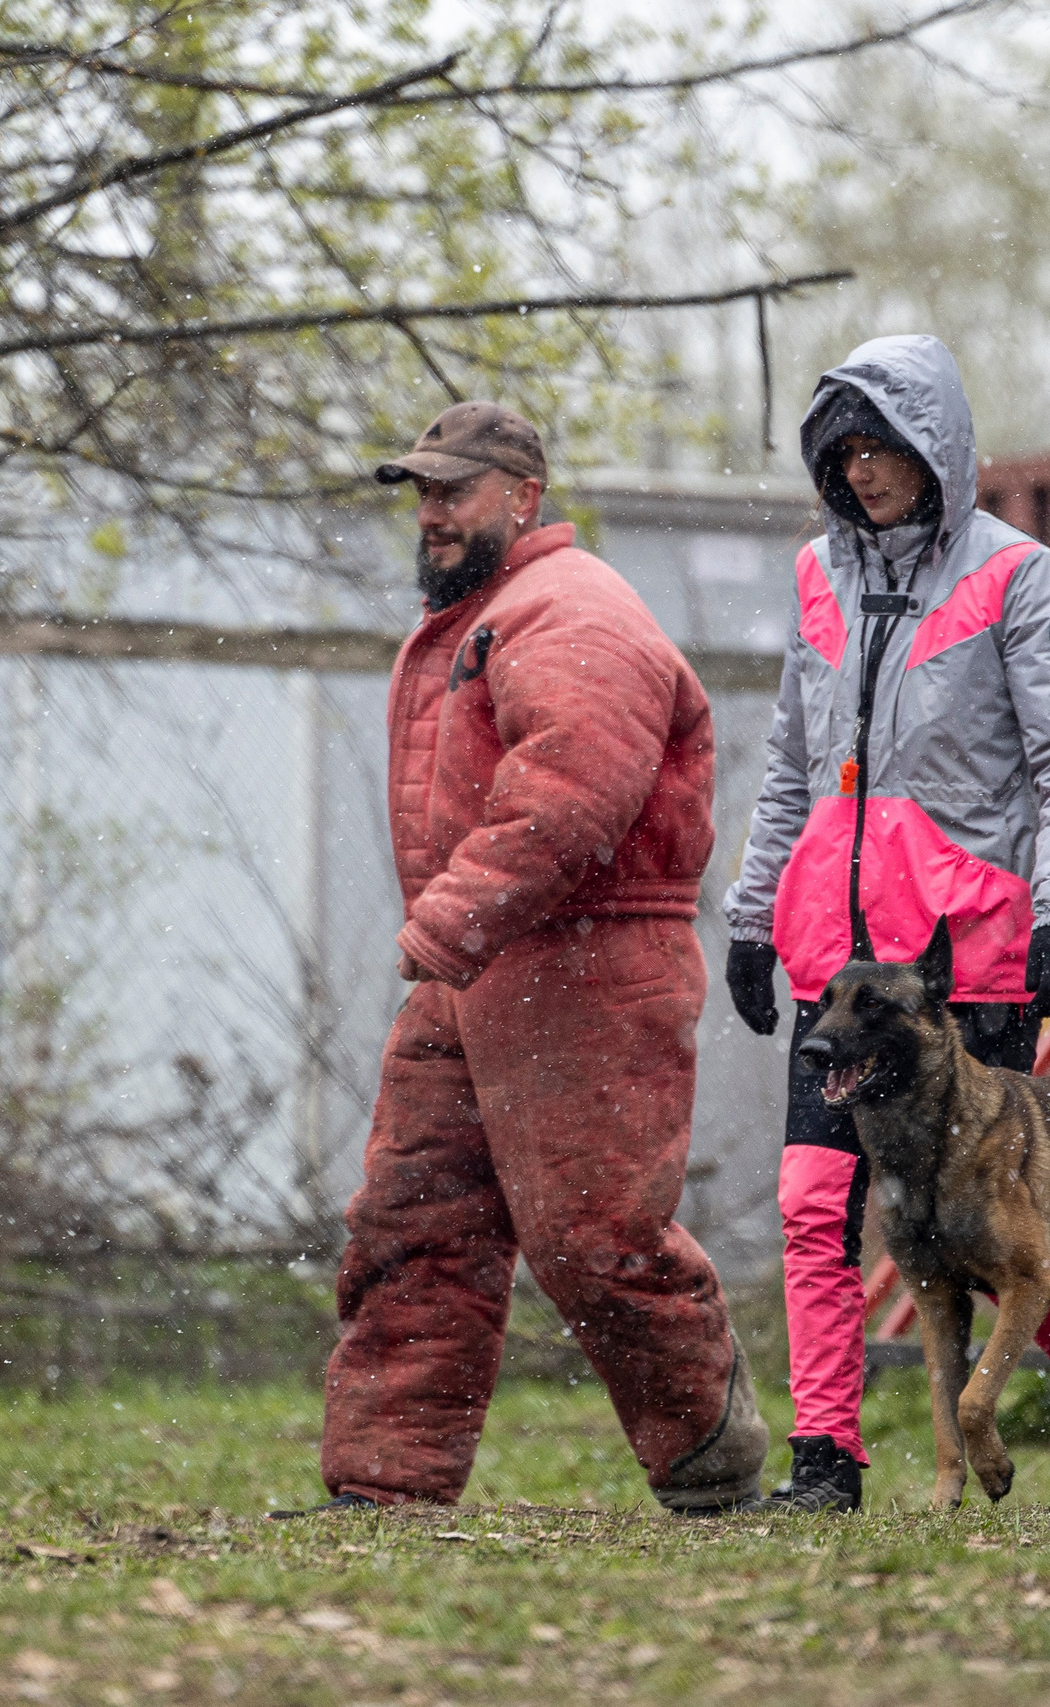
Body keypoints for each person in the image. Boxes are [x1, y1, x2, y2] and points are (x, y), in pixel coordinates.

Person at [273, 401, 769, 1517]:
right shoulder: (489, 614)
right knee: (413, 1226)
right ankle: (384, 1486)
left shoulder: (572, 611)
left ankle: (709, 1464)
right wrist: (460, 937)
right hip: (483, 960)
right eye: (422, 493)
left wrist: (450, 919)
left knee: (597, 1242)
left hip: (585, 963)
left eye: (454, 491)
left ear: (524, 498)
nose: (432, 514)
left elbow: (574, 789)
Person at [722, 335, 1050, 1514]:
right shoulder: (819, 577)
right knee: (817, 1205)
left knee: (975, 1229)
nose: (863, 472)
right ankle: (826, 1461)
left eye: (886, 448)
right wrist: (753, 919)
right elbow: (793, 767)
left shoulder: (1020, 579)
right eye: (845, 450)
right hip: (838, 975)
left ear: (939, 451)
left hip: (963, 973)